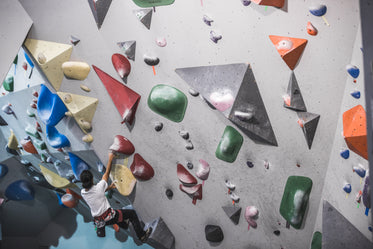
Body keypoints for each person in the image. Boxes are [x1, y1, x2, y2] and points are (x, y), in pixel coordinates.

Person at [80, 152, 152, 241]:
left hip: (99, 221)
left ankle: (124, 225)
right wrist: (111, 158)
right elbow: (107, 173)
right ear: (91, 179)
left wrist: (109, 187)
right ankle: (142, 235)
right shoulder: (99, 187)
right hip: (109, 216)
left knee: (117, 216)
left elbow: (97, 193)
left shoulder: (83, 192)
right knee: (132, 214)